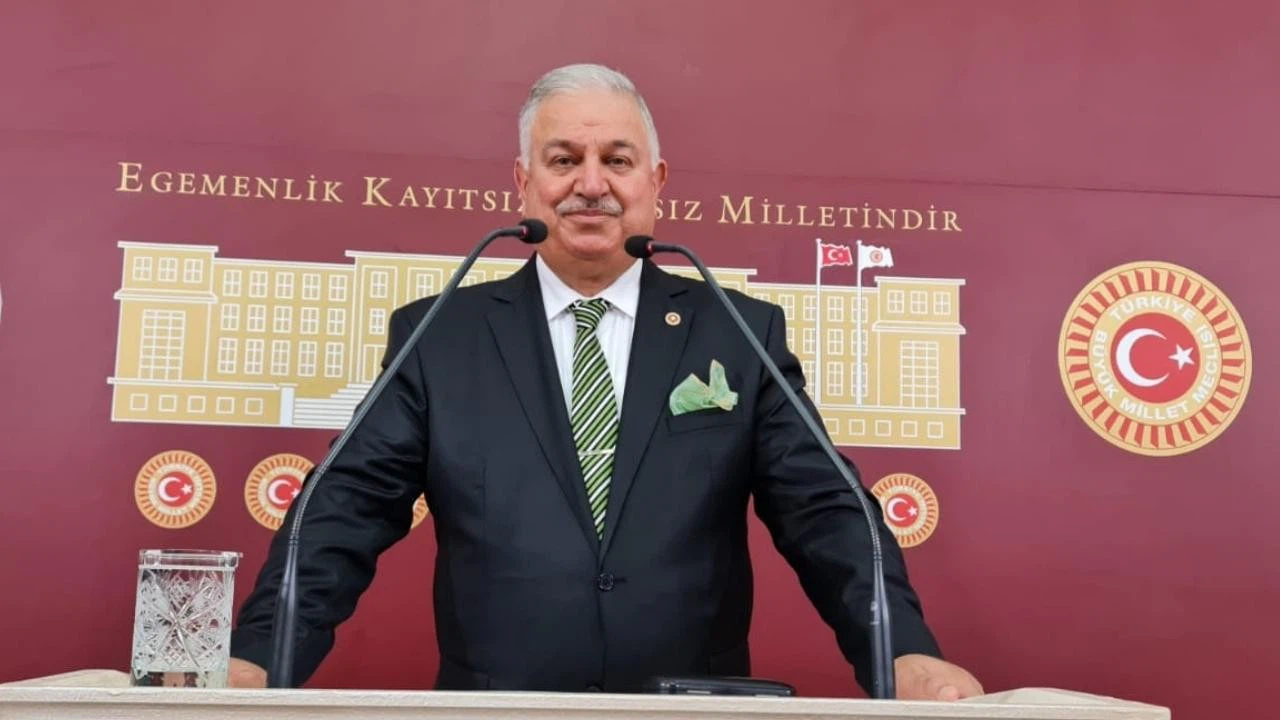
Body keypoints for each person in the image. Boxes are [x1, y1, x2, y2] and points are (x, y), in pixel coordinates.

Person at [227, 62, 982, 700]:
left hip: (691, 711)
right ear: (524, 183)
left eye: (617, 161)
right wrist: (260, 658)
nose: (591, 184)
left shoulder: (736, 332)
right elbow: (343, 512)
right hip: (499, 712)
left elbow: (825, 512)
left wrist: (902, 652)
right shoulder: (440, 337)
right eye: (564, 160)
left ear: (656, 181)